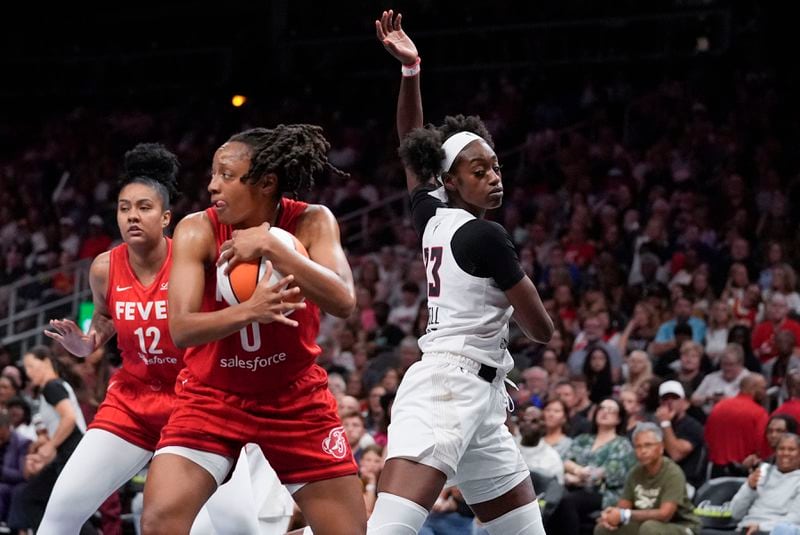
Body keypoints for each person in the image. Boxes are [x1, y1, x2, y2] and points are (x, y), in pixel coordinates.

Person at [370, 10, 554, 535]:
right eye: (480, 172)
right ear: (450, 180)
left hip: (484, 399)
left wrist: (411, 72)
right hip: (448, 388)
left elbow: (411, 146)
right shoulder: (485, 236)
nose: (495, 179)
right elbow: (542, 330)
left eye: (496, 167)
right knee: (389, 531)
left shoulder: (432, 215)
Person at [140, 125, 367, 534]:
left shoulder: (313, 221)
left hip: (293, 397)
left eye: (226, 175)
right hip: (213, 396)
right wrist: (251, 311)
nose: (212, 186)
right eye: (213, 174)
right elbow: (182, 328)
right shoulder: (198, 229)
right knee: (159, 522)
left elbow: (344, 300)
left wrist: (274, 248)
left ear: (266, 183)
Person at [7, 346, 87, 533]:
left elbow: (69, 419)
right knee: (60, 508)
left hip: (70, 452)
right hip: (69, 452)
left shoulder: (52, 386)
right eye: (25, 368)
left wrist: (50, 445)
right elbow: (61, 422)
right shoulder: (53, 387)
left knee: (33, 498)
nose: (28, 372)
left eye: (31, 365)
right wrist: (42, 444)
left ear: (46, 361)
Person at [548, 398, 636, 535]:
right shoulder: (584, 439)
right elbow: (565, 461)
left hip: (604, 493)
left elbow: (607, 472)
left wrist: (576, 478)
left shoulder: (621, 444)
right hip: (576, 489)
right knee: (551, 500)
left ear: (619, 419)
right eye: (602, 408)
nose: (605, 412)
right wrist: (579, 470)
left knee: (568, 501)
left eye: (611, 410)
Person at [595, 422, 700, 535]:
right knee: (602, 529)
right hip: (646, 525)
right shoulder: (634, 473)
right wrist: (611, 517)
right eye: (638, 446)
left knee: (650, 528)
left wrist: (624, 515)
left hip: (681, 526)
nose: (643, 451)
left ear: (661, 447)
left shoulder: (673, 473)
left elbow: (665, 515)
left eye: (648, 445)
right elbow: (623, 508)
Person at [718, 433, 800, 535]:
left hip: (774, 531)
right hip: (746, 528)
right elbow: (735, 513)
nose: (785, 453)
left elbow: (795, 519)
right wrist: (749, 488)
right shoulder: (763, 472)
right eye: (781, 449)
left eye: (791, 449)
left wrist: (761, 527)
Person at [705, 374, 771, 477]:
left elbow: (707, 436)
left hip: (716, 469)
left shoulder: (719, 406)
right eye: (763, 388)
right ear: (752, 388)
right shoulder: (759, 413)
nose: (765, 392)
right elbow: (763, 446)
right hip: (744, 471)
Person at [654, 381, 706, 488]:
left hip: (685, 482)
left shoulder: (693, 426)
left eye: (674, 398)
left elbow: (676, 454)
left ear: (686, 404)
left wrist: (665, 423)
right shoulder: (655, 426)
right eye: (665, 398)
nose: (669, 402)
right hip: (659, 479)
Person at [516, 406, 564, 484]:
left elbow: (556, 489)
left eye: (534, 421)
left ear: (543, 427)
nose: (527, 424)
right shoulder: (508, 448)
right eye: (524, 420)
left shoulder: (552, 457)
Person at [0, 412, 30, 524]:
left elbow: (23, 475)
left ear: (7, 427)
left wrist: (1, 470)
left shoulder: (22, 443)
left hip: (13, 485)